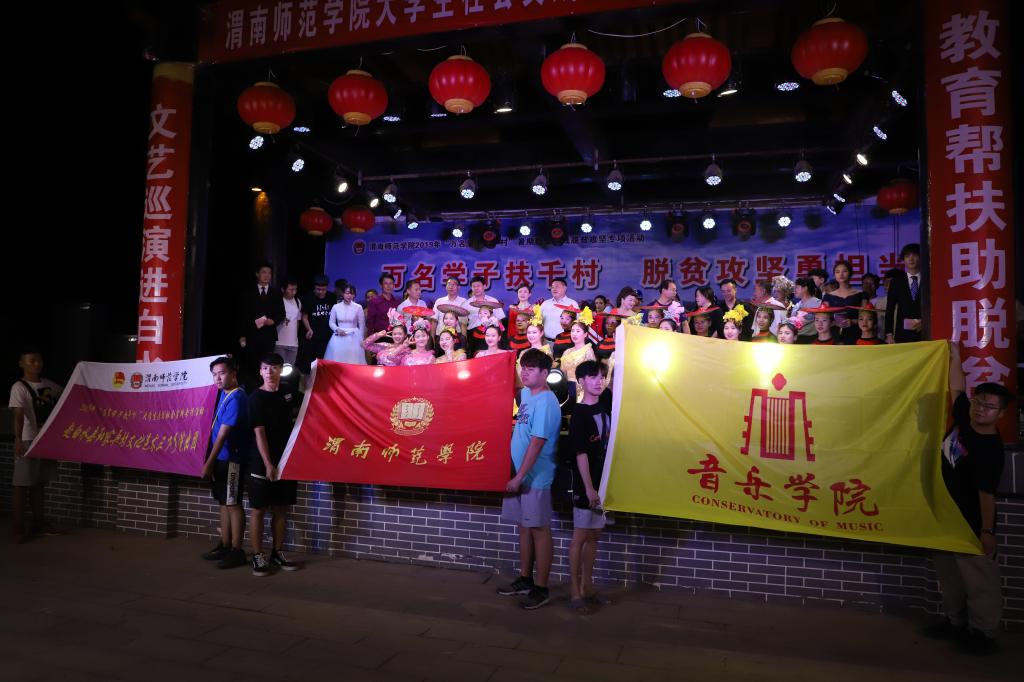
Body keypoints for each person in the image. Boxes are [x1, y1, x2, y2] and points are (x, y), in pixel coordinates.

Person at [925, 343, 1010, 654]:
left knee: (978, 580)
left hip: (971, 523)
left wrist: (986, 531)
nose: (980, 408)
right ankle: (955, 622)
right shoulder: (963, 418)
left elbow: (987, 494)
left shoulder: (989, 449)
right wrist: (956, 357)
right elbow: (958, 387)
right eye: (978, 402)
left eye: (989, 406)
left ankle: (983, 634)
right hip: (945, 517)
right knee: (950, 577)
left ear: (1001, 414)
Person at [497, 349, 561, 610]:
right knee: (524, 527)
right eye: (523, 368)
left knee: (539, 530)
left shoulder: (546, 401)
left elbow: (537, 442)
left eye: (531, 369)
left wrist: (520, 475)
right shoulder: (526, 394)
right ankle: (525, 578)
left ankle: (542, 588)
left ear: (545, 373)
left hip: (536, 477)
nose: (525, 372)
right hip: (518, 474)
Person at [247, 353, 300, 576]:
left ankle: (277, 553)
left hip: (285, 459)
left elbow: (311, 401)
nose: (269, 372)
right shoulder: (255, 398)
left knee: (281, 509)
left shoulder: (288, 391)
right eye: (265, 368)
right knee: (259, 509)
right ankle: (258, 555)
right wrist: (268, 464)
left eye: (274, 368)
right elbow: (259, 433)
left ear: (280, 370)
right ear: (260, 371)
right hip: (261, 461)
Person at [567, 360, 611, 615]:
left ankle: (588, 588)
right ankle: (575, 592)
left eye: (601, 377)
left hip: (605, 482)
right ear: (581, 381)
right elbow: (580, 453)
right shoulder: (579, 413)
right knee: (580, 537)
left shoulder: (606, 405)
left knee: (595, 536)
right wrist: (589, 488)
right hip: (587, 484)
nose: (598, 381)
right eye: (593, 377)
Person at [200, 357, 249, 569]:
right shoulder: (223, 393)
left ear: (233, 374)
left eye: (222, 373)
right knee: (223, 502)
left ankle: (237, 551)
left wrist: (208, 463)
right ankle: (225, 545)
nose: (217, 378)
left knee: (233, 503)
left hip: (231, 460)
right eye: (214, 374)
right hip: (219, 459)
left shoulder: (237, 397)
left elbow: (222, 435)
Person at [9, 348, 63, 543]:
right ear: (21, 363)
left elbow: (66, 394)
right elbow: (18, 414)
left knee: (39, 484)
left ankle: (39, 523)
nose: (37, 364)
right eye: (32, 361)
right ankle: (18, 526)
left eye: (39, 360)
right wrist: (18, 439)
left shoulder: (50, 385)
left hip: (45, 440)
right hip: (27, 439)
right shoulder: (19, 387)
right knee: (22, 485)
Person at [239, 262, 285, 382]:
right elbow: (243, 315)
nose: (267, 275)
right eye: (264, 272)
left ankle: (265, 386)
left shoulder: (276, 293)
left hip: (268, 335)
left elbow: (281, 313)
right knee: (252, 364)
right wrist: (242, 335)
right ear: (257, 274)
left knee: (267, 363)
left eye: (269, 273)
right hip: (252, 334)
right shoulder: (249, 292)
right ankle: (252, 388)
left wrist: (273, 321)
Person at [885, 243, 924, 344]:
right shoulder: (896, 282)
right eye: (907, 256)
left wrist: (926, 322)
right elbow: (890, 310)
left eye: (914, 255)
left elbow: (936, 307)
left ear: (921, 257)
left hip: (925, 332)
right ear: (903, 260)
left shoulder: (929, 280)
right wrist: (889, 334)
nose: (911, 259)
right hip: (902, 334)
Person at [299, 274, 336, 373]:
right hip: (312, 336)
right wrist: (309, 329)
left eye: (323, 289)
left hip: (326, 336)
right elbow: (304, 317)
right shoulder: (308, 298)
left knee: (323, 361)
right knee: (310, 362)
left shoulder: (332, 297)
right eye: (318, 289)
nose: (321, 292)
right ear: (314, 287)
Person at [822, 261, 865, 345]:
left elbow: (866, 316)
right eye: (837, 272)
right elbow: (823, 317)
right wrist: (834, 323)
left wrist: (852, 322)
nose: (841, 274)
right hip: (834, 334)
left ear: (850, 274)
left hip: (855, 332)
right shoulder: (828, 296)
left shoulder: (861, 294)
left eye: (844, 271)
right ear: (834, 275)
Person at [324, 284, 366, 364]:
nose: (349, 296)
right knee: (338, 358)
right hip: (339, 336)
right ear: (343, 293)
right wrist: (337, 329)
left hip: (354, 337)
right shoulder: (336, 307)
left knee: (353, 359)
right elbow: (331, 322)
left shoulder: (358, 307)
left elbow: (361, 325)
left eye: (352, 293)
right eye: (347, 293)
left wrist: (361, 339)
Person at [558, 319, 597, 403]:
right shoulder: (567, 352)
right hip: (567, 389)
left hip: (581, 390)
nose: (574, 334)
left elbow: (591, 374)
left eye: (578, 331)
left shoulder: (588, 351)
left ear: (585, 334)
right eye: (572, 331)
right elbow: (562, 373)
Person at [273, 278, 302, 366]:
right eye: (291, 290)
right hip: (279, 342)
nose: (294, 292)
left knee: (289, 369)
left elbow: (297, 321)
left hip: (293, 344)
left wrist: (296, 338)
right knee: (279, 368)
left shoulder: (297, 302)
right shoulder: (278, 301)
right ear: (283, 289)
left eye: (295, 289)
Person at [539, 277, 578, 342]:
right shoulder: (545, 304)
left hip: (565, 341)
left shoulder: (572, 304)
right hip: (546, 342)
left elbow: (577, 323)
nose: (554, 289)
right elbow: (539, 322)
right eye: (552, 287)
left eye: (557, 287)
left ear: (565, 288)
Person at [791, 277, 823, 341]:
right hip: (796, 337)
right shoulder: (797, 305)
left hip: (812, 338)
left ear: (805, 288)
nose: (794, 290)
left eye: (797, 287)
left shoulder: (818, 303)